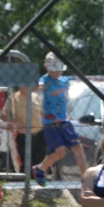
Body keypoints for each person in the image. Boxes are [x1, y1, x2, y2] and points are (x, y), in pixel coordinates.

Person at [31, 53, 87, 186]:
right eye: (53, 68)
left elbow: (65, 98)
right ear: (47, 67)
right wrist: (38, 86)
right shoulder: (45, 80)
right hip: (51, 123)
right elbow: (38, 87)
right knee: (60, 152)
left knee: (77, 147)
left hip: (64, 121)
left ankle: (86, 177)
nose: (56, 72)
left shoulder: (64, 81)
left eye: (59, 68)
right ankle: (40, 169)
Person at [4, 86, 46, 175]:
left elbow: (43, 112)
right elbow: (4, 115)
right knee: (26, 162)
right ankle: (25, 183)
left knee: (39, 160)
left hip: (39, 132)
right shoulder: (13, 98)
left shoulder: (35, 96)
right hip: (24, 134)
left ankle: (37, 182)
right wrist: (13, 120)